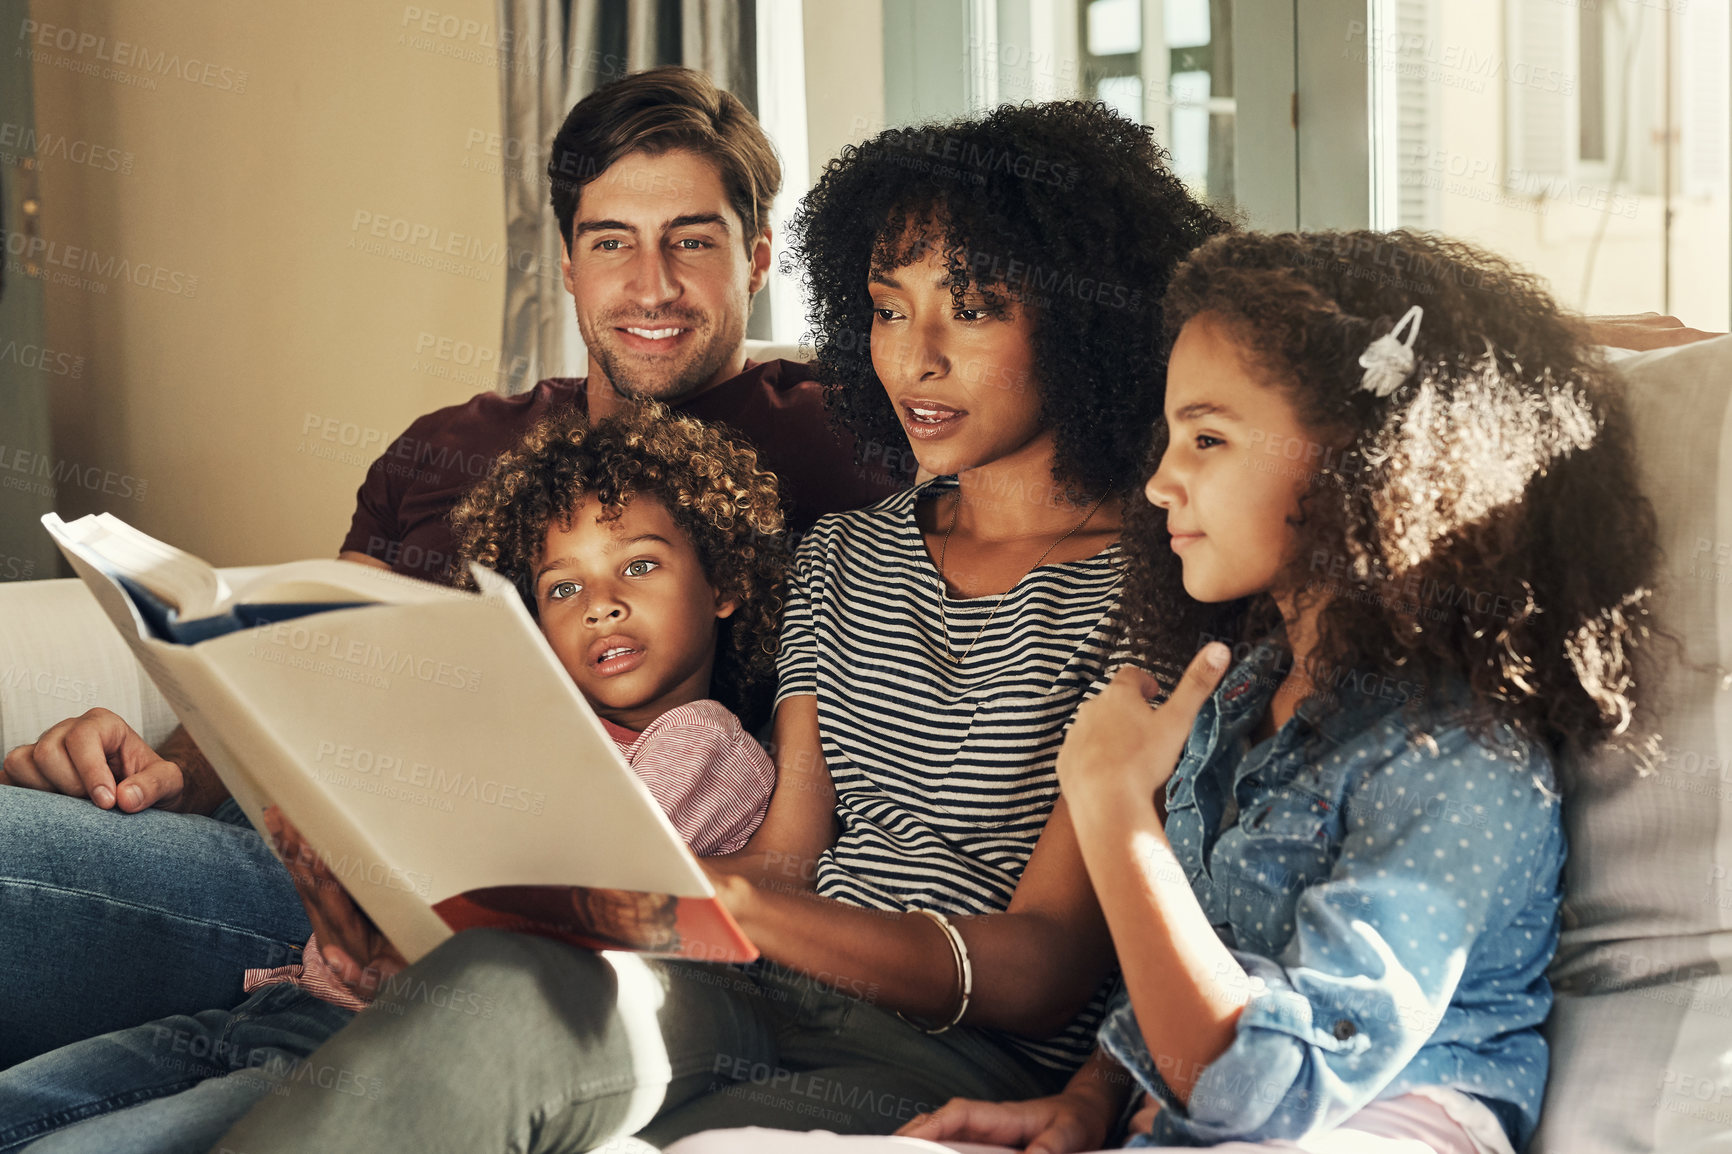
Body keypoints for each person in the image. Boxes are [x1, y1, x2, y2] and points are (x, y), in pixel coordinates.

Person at [210, 100, 1231, 1153]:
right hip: (742, 992)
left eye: (968, 310)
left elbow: (1041, 967)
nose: (913, 359)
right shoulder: (844, 551)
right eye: (886, 308)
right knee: (493, 988)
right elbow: (789, 852)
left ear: (1077, 322)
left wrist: (716, 893)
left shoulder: (1164, 585)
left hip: (937, 1054)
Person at [676, 229, 1668, 1154]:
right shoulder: (1242, 698)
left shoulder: (1453, 757)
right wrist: (1090, 1096)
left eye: (1205, 440)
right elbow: (1197, 962)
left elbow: (1261, 1084)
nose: (1157, 483)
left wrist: (1114, 810)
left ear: (1362, 463)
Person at [0, 65, 909, 1069]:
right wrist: (157, 768)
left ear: (759, 258)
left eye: (691, 241)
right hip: (293, 868)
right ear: (566, 262)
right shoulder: (454, 446)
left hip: (524, 928)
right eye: (611, 242)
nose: (651, 285)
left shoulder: (853, 438)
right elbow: (306, 671)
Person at [0, 403, 790, 1154]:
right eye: (563, 587)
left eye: (639, 565)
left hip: (375, 1041)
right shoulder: (521, 727)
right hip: (282, 997)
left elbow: (593, 903)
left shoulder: (704, 738)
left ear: (723, 583)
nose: (602, 606)